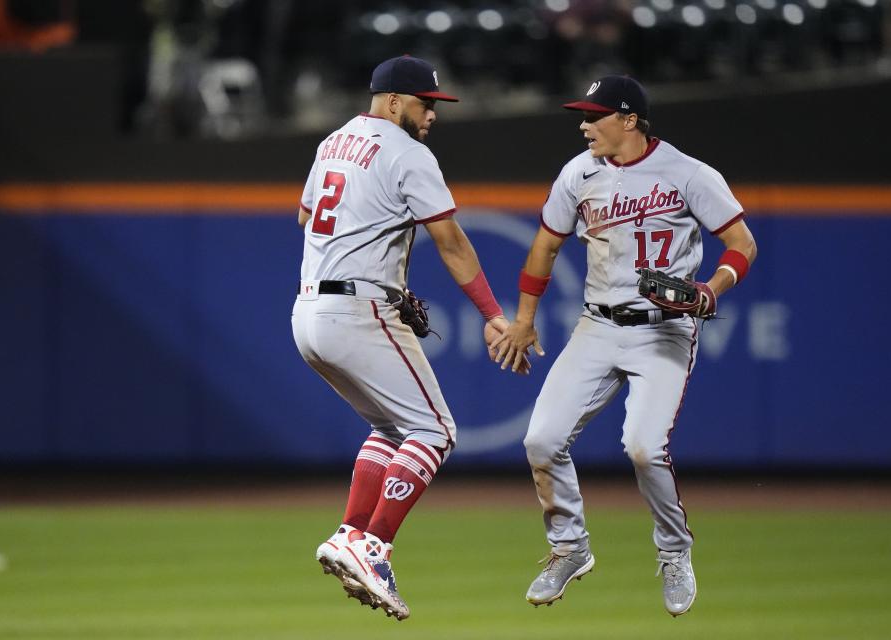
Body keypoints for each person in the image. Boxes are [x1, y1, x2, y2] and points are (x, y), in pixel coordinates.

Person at [492, 75, 757, 616]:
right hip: (598, 325)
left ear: (629, 119)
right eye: (583, 115)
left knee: (643, 446)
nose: (584, 124)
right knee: (541, 440)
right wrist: (523, 320)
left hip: (665, 327)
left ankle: (674, 551)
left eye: (595, 115)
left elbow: (741, 243)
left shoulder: (688, 173)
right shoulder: (579, 172)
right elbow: (544, 246)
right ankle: (569, 547)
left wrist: (712, 287)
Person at [292, 55, 518, 621]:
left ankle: (349, 534)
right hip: (359, 308)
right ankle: (375, 547)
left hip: (309, 311)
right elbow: (451, 242)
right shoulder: (409, 153)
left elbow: (305, 217)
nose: (432, 113)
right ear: (393, 101)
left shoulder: (332, 142)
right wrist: (492, 313)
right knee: (435, 430)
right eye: (424, 103)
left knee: (391, 427)